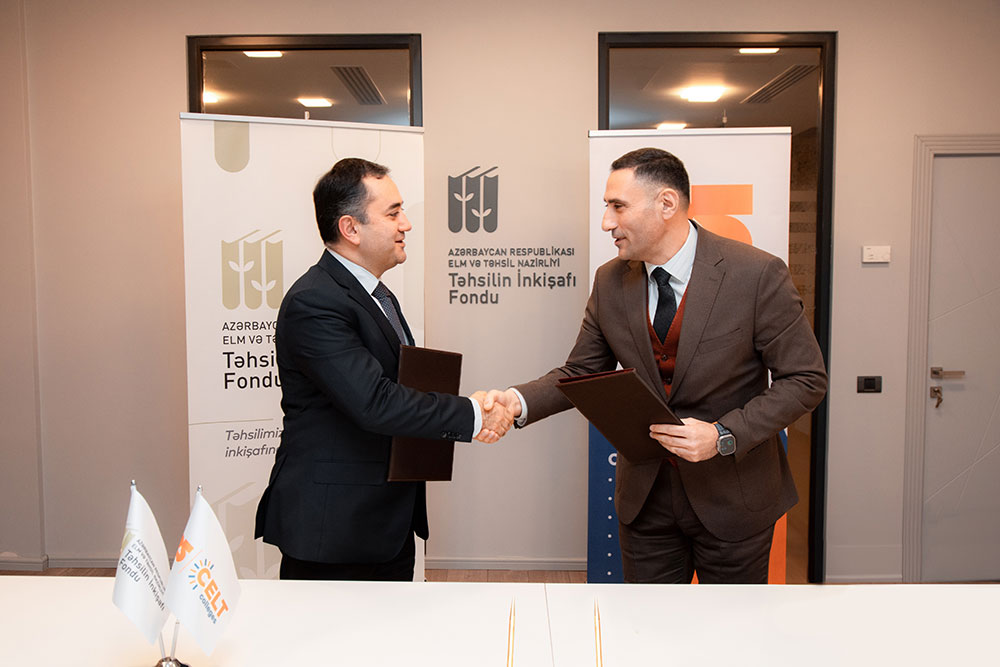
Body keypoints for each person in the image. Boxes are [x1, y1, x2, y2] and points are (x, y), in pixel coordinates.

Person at [484, 148, 827, 584]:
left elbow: (805, 379)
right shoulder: (610, 280)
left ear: (667, 203)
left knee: (732, 627)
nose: (606, 222)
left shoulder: (756, 274)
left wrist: (723, 435)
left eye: (618, 206)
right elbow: (581, 372)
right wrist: (515, 402)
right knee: (647, 625)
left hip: (735, 501)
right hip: (646, 503)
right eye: (606, 207)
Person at [255, 158, 512, 581]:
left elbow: (399, 383)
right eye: (393, 213)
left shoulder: (375, 295)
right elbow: (374, 401)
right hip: (334, 531)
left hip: (383, 523)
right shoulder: (315, 301)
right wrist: (473, 414)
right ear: (350, 228)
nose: (406, 224)